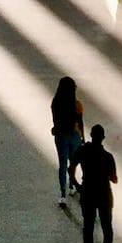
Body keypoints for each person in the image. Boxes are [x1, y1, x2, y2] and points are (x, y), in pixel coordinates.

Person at [73, 122, 117, 243]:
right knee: (107, 229)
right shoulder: (108, 157)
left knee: (88, 227)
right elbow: (114, 179)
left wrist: (77, 185)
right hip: (104, 194)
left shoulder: (82, 150)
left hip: (87, 192)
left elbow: (71, 168)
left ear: (91, 135)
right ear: (103, 138)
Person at [50, 76, 85, 206]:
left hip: (61, 136)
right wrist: (83, 138)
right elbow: (80, 123)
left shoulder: (55, 103)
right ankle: (72, 186)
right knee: (73, 163)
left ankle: (63, 194)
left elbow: (55, 120)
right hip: (74, 135)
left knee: (62, 164)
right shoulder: (77, 105)